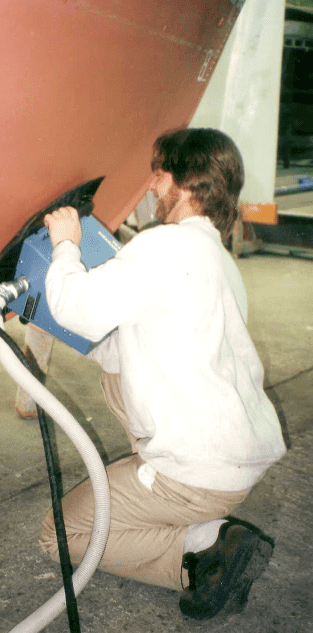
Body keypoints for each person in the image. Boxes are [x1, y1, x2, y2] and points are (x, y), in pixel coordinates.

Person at [39, 128, 286, 621]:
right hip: (235, 459)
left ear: (188, 185)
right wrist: (39, 308)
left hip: (195, 473)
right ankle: (201, 525)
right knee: (114, 374)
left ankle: (204, 553)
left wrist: (65, 246)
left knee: (60, 537)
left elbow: (77, 307)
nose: (151, 184)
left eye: (161, 173)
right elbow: (117, 347)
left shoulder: (165, 244)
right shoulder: (218, 261)